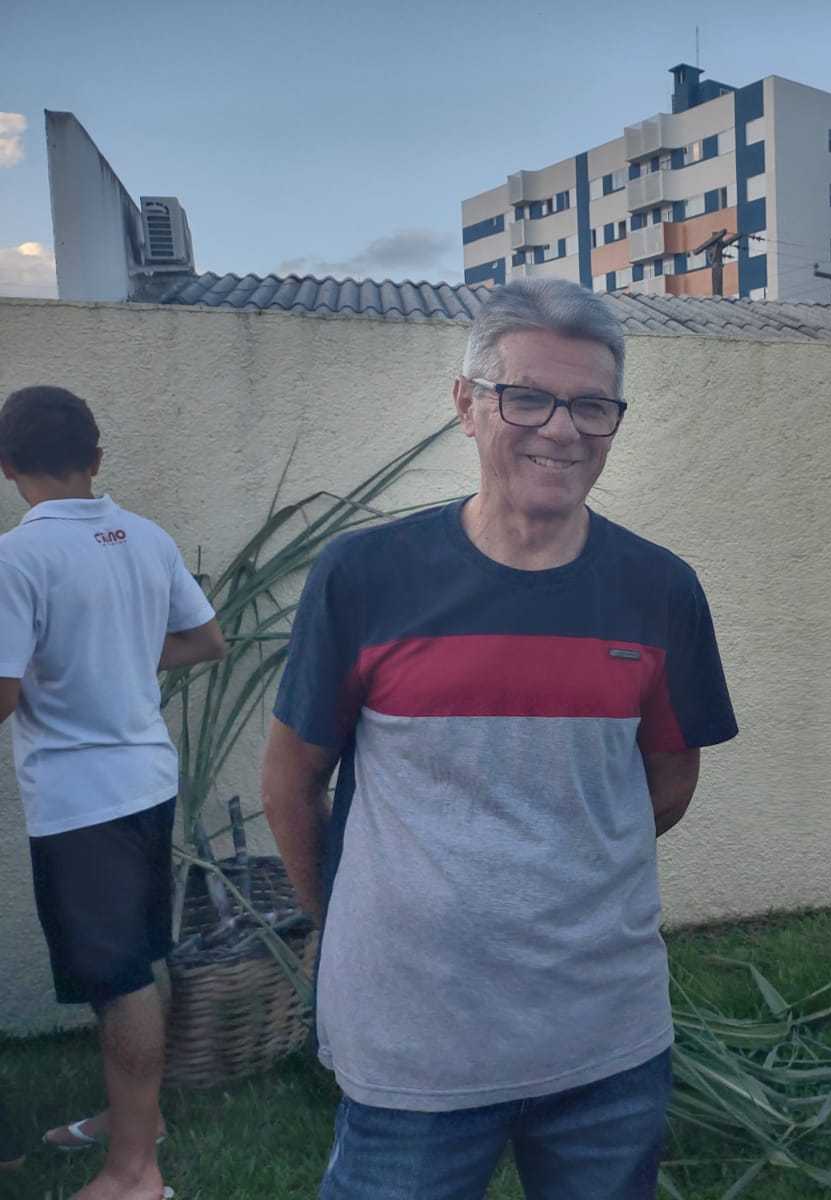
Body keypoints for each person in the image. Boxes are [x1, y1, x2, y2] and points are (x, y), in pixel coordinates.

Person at [263, 277, 738, 1200]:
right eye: (527, 397)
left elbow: (668, 784)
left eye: (592, 405)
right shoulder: (365, 575)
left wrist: (564, 863)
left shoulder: (661, 590)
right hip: (411, 1043)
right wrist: (360, 921)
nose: (562, 429)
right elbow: (290, 785)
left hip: (606, 1042)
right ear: (466, 404)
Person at [0, 385, 224, 1200]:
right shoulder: (145, 536)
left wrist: (79, 660)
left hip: (82, 801)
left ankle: (135, 1173)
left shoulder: (16, 558)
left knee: (120, 979)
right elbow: (206, 640)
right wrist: (117, 656)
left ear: (7, 465)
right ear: (96, 457)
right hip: (143, 783)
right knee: (123, 965)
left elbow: (4, 694)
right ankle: (137, 1122)